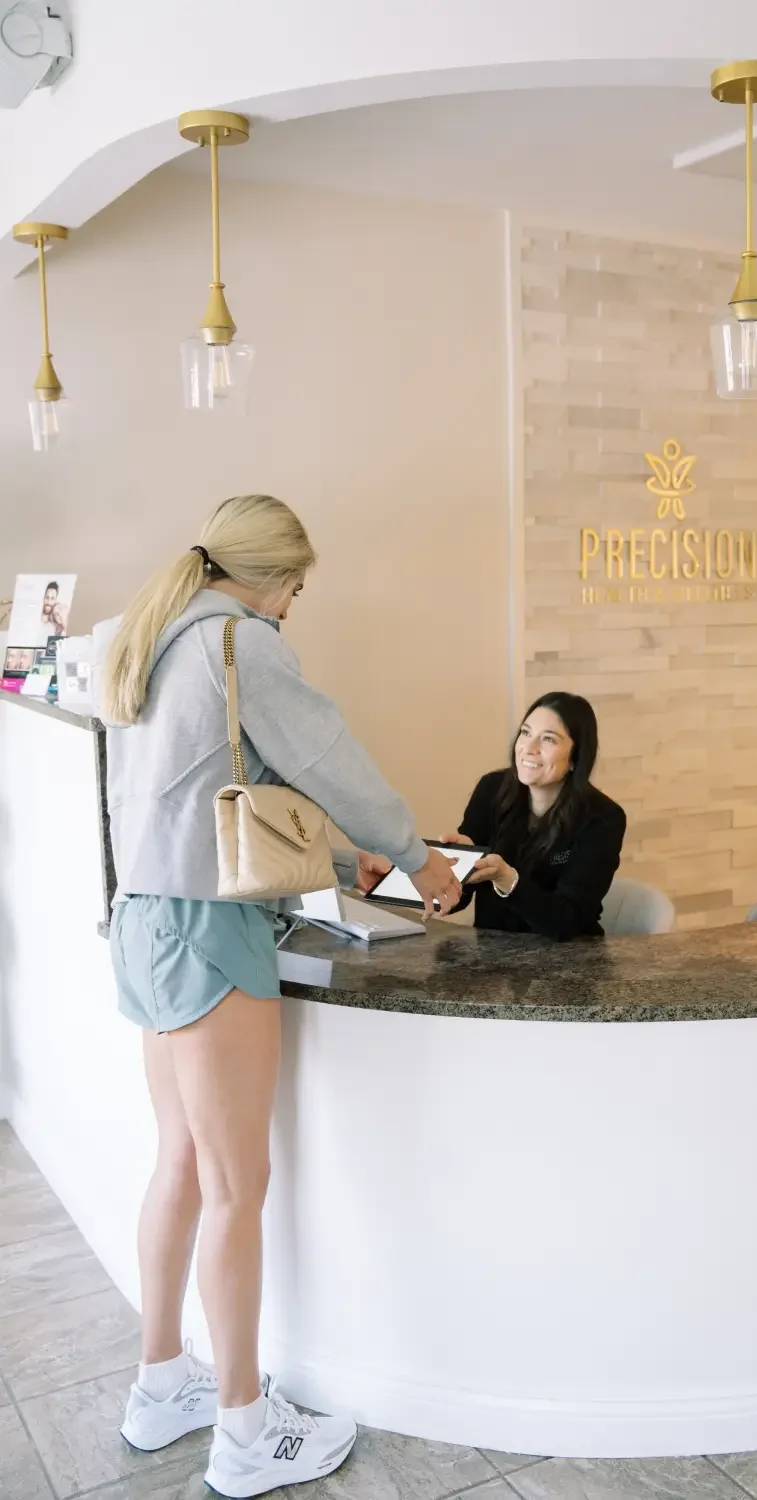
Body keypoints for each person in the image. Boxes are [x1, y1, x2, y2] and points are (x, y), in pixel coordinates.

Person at [97, 493, 461, 1499]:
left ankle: (160, 1383)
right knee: (235, 1190)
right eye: (297, 583)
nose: (297, 601)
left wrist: (357, 862)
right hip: (209, 932)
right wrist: (413, 856)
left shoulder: (142, 637)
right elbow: (330, 763)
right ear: (267, 573)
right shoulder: (240, 644)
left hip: (141, 920)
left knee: (179, 1164)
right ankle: (245, 1435)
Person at [442, 691, 625, 942]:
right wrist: (458, 865)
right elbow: (455, 901)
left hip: (572, 966)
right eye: (525, 733)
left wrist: (507, 879)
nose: (529, 748)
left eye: (548, 739)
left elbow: (565, 922)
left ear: (575, 758)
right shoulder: (491, 789)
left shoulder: (603, 819)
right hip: (493, 963)